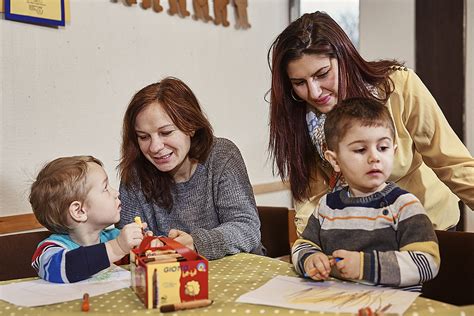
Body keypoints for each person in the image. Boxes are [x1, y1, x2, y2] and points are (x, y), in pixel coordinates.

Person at [267, 11, 474, 235]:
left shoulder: (398, 87)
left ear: (344, 58)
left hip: (427, 227)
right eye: (300, 82)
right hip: (364, 237)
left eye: (322, 74)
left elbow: (453, 164)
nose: (314, 92)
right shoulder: (304, 119)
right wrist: (309, 248)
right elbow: (312, 199)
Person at [292, 98, 440, 291]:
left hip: (392, 306)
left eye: (383, 148)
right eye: (361, 150)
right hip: (337, 302)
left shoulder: (404, 205)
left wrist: (365, 266)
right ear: (334, 160)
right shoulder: (327, 206)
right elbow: (303, 245)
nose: (374, 157)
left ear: (393, 152)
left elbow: (427, 263)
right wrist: (310, 259)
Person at [116, 76, 262, 260]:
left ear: (191, 126)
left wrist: (196, 243)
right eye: (144, 137)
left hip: (238, 271)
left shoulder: (221, 155)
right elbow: (126, 239)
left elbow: (247, 227)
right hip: (169, 278)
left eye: (166, 132)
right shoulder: (136, 172)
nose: (155, 147)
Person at [30, 156, 146, 283]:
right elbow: (65, 268)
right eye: (105, 188)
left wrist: (148, 245)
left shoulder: (116, 236)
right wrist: (116, 248)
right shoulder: (49, 250)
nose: (116, 193)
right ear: (79, 211)